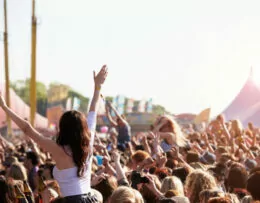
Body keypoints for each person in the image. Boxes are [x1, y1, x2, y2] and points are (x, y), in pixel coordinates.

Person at [0, 65, 108, 202]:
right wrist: (98, 86)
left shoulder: (58, 149)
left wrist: (4, 107)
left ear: (63, 128)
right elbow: (93, 111)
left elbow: (27, 129)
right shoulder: (88, 142)